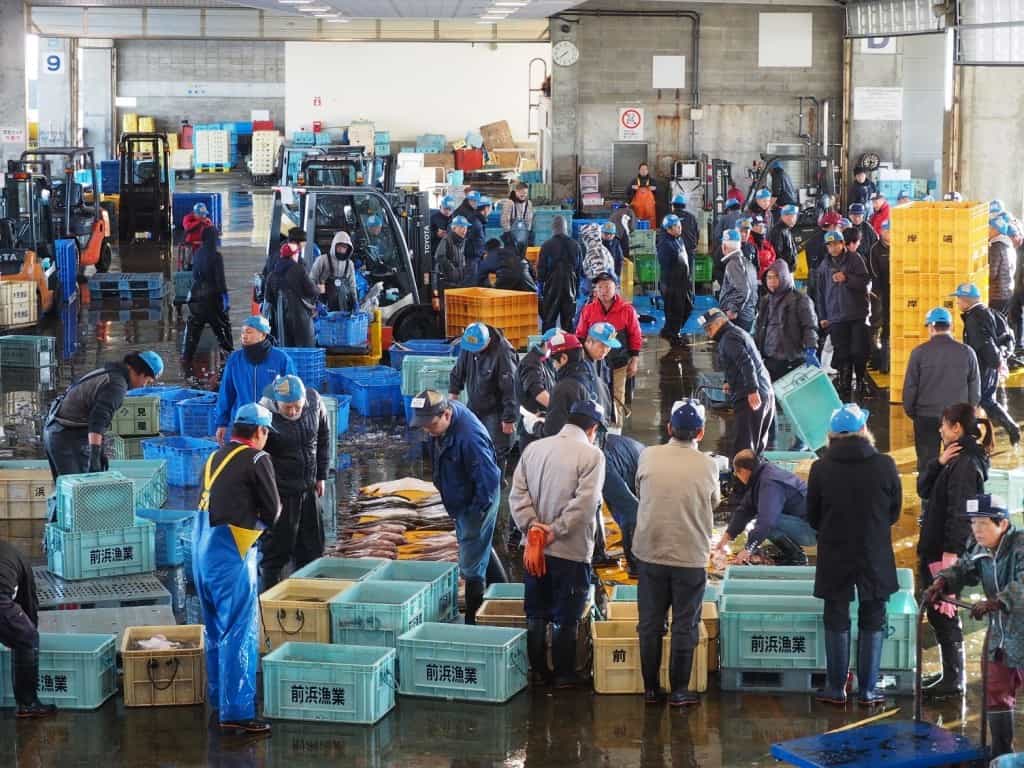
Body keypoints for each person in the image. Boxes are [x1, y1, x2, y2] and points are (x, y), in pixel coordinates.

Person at [193, 403, 280, 735]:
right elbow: (273, 511)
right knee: (239, 630)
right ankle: (238, 711)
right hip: (231, 556)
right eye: (267, 433)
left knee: (215, 628)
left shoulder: (214, 457)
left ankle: (220, 698)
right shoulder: (257, 458)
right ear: (260, 431)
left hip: (202, 552)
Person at [808, 404, 901, 706]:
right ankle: (868, 690)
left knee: (836, 616)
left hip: (835, 552)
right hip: (874, 552)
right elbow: (894, 511)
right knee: (873, 617)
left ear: (832, 435)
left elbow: (812, 516)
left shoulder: (820, 468)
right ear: (863, 430)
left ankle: (836, 689)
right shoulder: (885, 465)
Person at [510, 400, 605, 688]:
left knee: (536, 610)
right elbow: (586, 504)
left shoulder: (534, 448)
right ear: (593, 429)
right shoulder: (592, 456)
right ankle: (564, 675)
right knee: (567, 615)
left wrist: (533, 527)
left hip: (534, 548)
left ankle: (538, 672)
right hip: (570, 551)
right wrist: (556, 530)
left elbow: (517, 494)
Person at [634, 399, 721, 706]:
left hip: (650, 552)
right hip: (690, 557)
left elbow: (641, 490)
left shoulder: (648, 455)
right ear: (700, 433)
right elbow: (713, 502)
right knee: (685, 623)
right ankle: (680, 691)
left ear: (669, 428)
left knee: (650, 623)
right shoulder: (709, 465)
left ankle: (650, 689)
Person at [924, 494, 1024, 758]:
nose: (976, 529)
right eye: (973, 523)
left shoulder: (1020, 545)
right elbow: (962, 568)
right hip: (1001, 632)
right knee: (996, 689)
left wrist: (996, 602)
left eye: (983, 523)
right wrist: (942, 582)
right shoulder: (978, 547)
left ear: (1002, 524)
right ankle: (1002, 756)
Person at [917, 403, 993, 698]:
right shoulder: (954, 457)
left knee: (943, 609)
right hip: (939, 548)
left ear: (957, 428)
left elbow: (961, 514)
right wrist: (937, 463)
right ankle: (950, 674)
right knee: (939, 608)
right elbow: (924, 489)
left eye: (944, 424)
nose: (940, 429)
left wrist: (950, 557)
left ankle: (954, 678)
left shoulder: (964, 465)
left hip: (944, 551)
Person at [411, 390, 502, 624]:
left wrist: (475, 514)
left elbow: (489, 481)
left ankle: (473, 621)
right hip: (463, 497)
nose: (427, 431)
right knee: (479, 548)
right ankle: (503, 592)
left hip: (477, 502)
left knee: (471, 565)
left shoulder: (470, 438)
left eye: (431, 425)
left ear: (447, 415)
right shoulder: (442, 421)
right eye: (423, 425)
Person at [44, 351, 164, 484]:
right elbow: (98, 421)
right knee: (76, 489)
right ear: (141, 372)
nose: (143, 385)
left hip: (59, 428)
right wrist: (95, 455)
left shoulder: (111, 372)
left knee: (71, 489)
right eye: (147, 381)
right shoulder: (117, 385)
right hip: (64, 436)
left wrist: (100, 450)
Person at [257, 375, 330, 589]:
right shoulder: (263, 415)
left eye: (297, 406)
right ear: (276, 402)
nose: (293, 412)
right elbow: (255, 459)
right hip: (280, 494)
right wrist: (265, 497)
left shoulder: (314, 401)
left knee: (313, 547)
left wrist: (321, 475)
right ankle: (270, 598)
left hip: (308, 489)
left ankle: (308, 595)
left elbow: (323, 437)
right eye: (287, 407)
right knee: (276, 552)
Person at [903, 308, 981, 474]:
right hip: (956, 419)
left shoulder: (919, 353)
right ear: (951, 326)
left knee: (927, 463)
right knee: (956, 462)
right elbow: (975, 390)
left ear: (931, 327)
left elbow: (910, 388)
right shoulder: (967, 352)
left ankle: (928, 490)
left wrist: (913, 413)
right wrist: (966, 415)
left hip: (926, 416)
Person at [716, 450, 814, 565]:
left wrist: (749, 549)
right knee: (762, 522)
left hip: (810, 529)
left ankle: (796, 558)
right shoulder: (761, 475)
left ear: (743, 471)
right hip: (800, 523)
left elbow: (766, 521)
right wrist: (726, 537)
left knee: (765, 522)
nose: (737, 477)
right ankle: (790, 554)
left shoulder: (769, 483)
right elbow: (745, 510)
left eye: (736, 473)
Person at [700, 307, 775, 456]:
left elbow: (746, 363)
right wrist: (729, 381)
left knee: (744, 449)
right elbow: (738, 362)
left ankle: (743, 472)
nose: (708, 333)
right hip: (765, 391)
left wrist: (752, 390)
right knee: (755, 448)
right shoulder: (735, 333)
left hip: (751, 396)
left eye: (709, 328)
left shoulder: (729, 338)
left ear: (720, 322)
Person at [449, 322, 518, 479]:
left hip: (497, 410)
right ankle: (479, 482)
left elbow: (511, 388)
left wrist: (509, 418)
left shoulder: (503, 351)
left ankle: (496, 484)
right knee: (472, 445)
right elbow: (458, 371)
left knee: (496, 451)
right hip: (475, 405)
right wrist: (452, 396)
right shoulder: (469, 345)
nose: (474, 352)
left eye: (478, 349)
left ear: (488, 341)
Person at [955, 282, 1020, 445]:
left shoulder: (973, 319)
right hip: (991, 365)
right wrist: (1001, 358)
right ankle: (996, 431)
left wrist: (997, 361)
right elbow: (1007, 336)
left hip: (982, 366)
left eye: (958, 299)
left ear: (966, 300)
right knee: (985, 400)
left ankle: (1005, 430)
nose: (957, 303)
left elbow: (984, 343)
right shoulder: (991, 312)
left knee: (981, 399)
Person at [214, 315, 296, 445]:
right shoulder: (235, 359)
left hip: (271, 424)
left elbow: (291, 394)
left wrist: (289, 423)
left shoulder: (281, 359)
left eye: (249, 332)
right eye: (242, 332)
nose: (244, 336)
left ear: (263, 335)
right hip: (242, 423)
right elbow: (226, 393)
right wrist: (221, 423)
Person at [0, 540, 55, 718]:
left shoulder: (10, 557)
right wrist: (31, 634)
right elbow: (29, 606)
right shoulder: (24, 570)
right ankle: (27, 704)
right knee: (26, 636)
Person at [814, 230, 871, 400]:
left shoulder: (855, 259)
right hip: (836, 316)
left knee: (859, 351)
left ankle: (860, 380)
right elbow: (820, 293)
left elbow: (865, 282)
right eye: (829, 245)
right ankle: (844, 383)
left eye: (836, 244)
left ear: (842, 243)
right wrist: (823, 316)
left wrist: (847, 278)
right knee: (842, 352)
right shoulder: (824, 266)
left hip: (857, 314)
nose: (833, 248)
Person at [576, 273, 642, 416]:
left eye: (607, 287)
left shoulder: (627, 310)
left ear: (616, 288)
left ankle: (616, 426)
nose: (603, 291)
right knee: (596, 395)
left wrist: (635, 360)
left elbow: (635, 335)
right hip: (595, 365)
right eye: (599, 287)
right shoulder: (588, 310)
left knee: (618, 396)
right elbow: (580, 335)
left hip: (619, 363)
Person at [538, 331, 615, 439]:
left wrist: (535, 425)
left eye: (553, 361)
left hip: (571, 446)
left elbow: (552, 432)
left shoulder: (562, 389)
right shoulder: (599, 382)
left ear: (563, 358)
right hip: (595, 443)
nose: (553, 366)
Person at [754, 260, 819, 381]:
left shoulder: (800, 299)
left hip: (792, 359)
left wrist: (811, 349)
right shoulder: (765, 301)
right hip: (769, 360)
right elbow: (759, 328)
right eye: (769, 278)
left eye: (776, 277)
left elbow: (809, 326)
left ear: (784, 277)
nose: (771, 281)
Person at [182, 226, 233, 366]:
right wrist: (225, 299)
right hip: (212, 300)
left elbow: (194, 275)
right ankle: (230, 358)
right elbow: (220, 281)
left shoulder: (197, 253)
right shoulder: (216, 257)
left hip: (196, 299)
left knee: (193, 334)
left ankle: (186, 360)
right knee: (223, 330)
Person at [603, 433, 643, 576]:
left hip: (609, 458)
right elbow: (631, 509)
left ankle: (597, 554)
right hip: (607, 460)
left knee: (624, 508)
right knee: (631, 510)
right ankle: (636, 565)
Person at [265, 240, 317, 347]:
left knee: (286, 348)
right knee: (304, 349)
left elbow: (268, 298)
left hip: (280, 320)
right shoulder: (299, 270)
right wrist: (319, 289)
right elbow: (312, 291)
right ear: (294, 255)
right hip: (300, 320)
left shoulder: (272, 274)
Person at [515, 328, 558, 455]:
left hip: (543, 424)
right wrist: (560, 408)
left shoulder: (547, 360)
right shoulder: (531, 363)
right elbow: (538, 392)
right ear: (547, 344)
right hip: (532, 429)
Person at [538, 215, 581, 332]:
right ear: (566, 228)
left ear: (553, 228)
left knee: (549, 319)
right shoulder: (575, 245)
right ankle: (570, 343)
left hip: (551, 287)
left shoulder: (547, 245)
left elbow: (541, 269)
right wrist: (577, 290)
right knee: (568, 321)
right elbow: (579, 270)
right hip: (570, 286)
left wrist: (540, 287)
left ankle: (547, 342)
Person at [657, 214, 692, 346]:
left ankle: (668, 330)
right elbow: (665, 264)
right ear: (668, 229)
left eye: (679, 225)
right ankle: (673, 334)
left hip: (683, 282)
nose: (680, 228)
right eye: (676, 226)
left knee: (687, 307)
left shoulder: (679, 239)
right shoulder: (664, 244)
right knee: (675, 311)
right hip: (671, 284)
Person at [720, 229, 759, 333]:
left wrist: (733, 310)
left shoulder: (733, 264)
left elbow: (743, 290)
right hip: (747, 315)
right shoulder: (746, 262)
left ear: (724, 246)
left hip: (739, 318)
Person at [310, 231, 358, 313]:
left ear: (348, 249)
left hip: (343, 305)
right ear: (334, 245)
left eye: (344, 247)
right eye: (339, 246)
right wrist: (315, 301)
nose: (341, 249)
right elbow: (312, 280)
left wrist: (355, 301)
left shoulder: (349, 264)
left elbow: (352, 285)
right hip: (323, 303)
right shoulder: (322, 260)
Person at [432, 214, 471, 310]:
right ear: (453, 228)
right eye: (461, 227)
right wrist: (451, 270)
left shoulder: (462, 241)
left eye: (465, 227)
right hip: (448, 283)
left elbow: (461, 257)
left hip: (458, 282)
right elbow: (439, 256)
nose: (464, 230)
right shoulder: (447, 239)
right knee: (447, 309)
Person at [868, 219, 891, 373]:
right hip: (879, 293)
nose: (889, 234)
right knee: (876, 325)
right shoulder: (875, 249)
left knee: (890, 326)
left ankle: (886, 362)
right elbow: (873, 272)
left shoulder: (901, 246)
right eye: (886, 231)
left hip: (895, 292)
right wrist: (879, 292)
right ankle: (875, 359)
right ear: (881, 232)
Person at [990, 217, 1017, 316]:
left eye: (989, 227)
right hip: (1007, 292)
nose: (987, 230)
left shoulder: (996, 247)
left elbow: (992, 273)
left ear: (995, 230)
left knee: (996, 322)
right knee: (1002, 321)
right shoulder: (1008, 245)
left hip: (997, 295)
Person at [501, 183, 534, 254]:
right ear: (516, 191)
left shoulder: (529, 203)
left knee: (523, 256)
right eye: (521, 192)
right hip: (511, 236)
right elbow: (504, 220)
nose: (523, 195)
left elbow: (529, 220)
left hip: (524, 236)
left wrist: (528, 233)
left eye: (525, 193)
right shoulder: (509, 203)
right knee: (510, 257)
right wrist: (508, 234)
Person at [768, 204, 799, 272]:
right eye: (794, 216)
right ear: (785, 216)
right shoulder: (778, 231)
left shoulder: (785, 229)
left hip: (786, 270)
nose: (795, 219)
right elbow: (777, 254)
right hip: (782, 271)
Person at [429, 195, 456, 268]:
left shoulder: (455, 219)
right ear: (440, 207)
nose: (448, 211)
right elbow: (425, 235)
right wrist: (436, 234)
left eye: (450, 209)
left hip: (449, 254)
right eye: (445, 209)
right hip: (435, 253)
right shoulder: (433, 218)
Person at [628, 163, 657, 229]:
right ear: (639, 170)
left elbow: (660, 194)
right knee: (637, 224)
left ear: (648, 171)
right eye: (642, 169)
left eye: (645, 169)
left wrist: (656, 189)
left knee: (651, 225)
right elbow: (627, 193)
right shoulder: (634, 181)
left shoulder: (653, 181)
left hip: (650, 210)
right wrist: (631, 188)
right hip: (637, 210)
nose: (644, 171)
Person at [671, 193, 700, 258]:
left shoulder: (668, 218)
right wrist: (694, 245)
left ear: (673, 205)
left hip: (673, 250)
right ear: (684, 205)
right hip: (689, 249)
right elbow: (697, 233)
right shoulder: (691, 217)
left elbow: (663, 236)